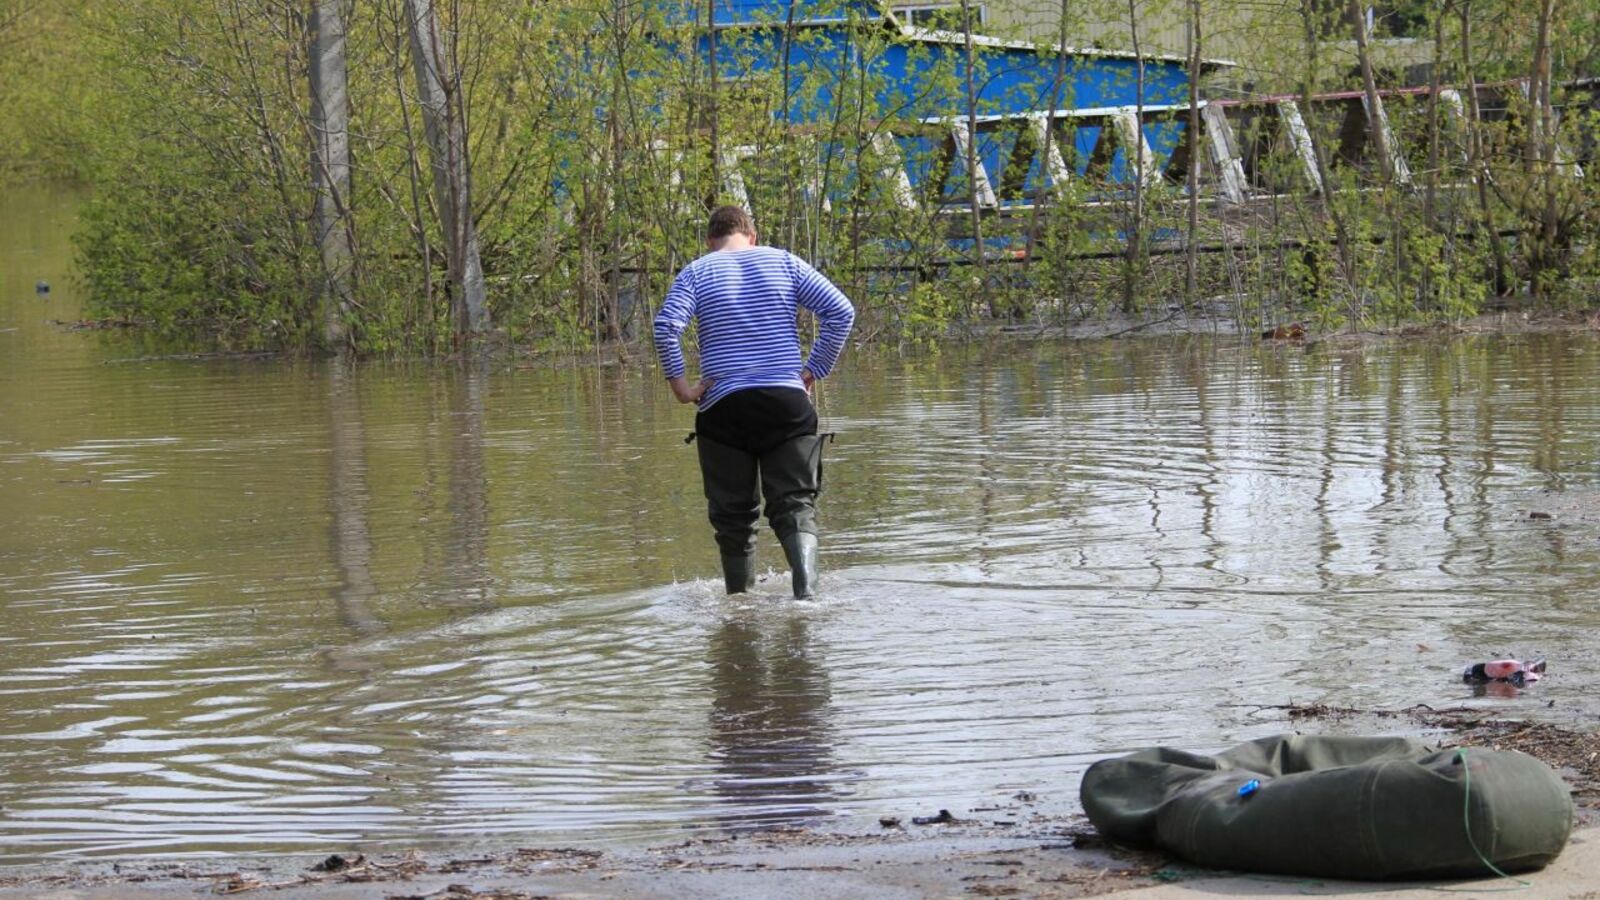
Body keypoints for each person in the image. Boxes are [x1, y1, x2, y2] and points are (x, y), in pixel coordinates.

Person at [654, 205, 855, 598]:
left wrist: (682, 387)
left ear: (711, 241)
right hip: (785, 402)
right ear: (753, 236)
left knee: (733, 519)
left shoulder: (697, 271)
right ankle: (807, 598)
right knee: (795, 505)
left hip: (723, 407)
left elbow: (666, 328)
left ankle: (739, 608)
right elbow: (841, 311)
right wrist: (813, 369)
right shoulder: (784, 262)